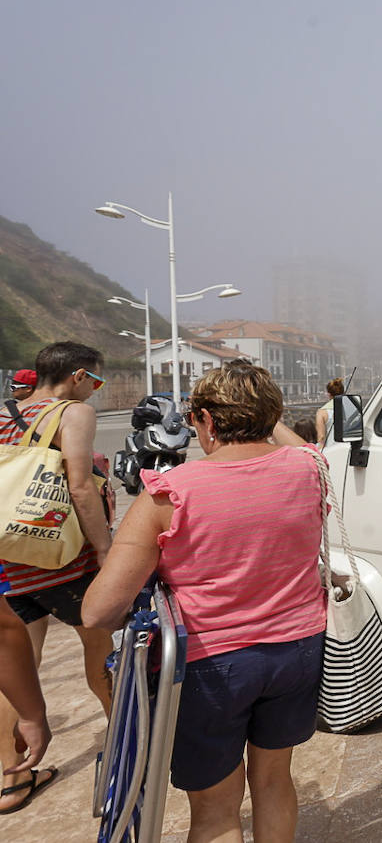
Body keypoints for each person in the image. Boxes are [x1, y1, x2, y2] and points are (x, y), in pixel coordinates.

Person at [83, 361, 326, 843]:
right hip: (298, 650)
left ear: (207, 421)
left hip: (214, 667)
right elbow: (308, 447)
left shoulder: (171, 493)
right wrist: (262, 415)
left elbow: (97, 611)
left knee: (216, 811)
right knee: (275, 780)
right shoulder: (308, 468)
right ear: (270, 415)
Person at [0, 342, 114, 812]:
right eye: (97, 382)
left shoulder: (6, 413)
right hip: (60, 559)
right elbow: (81, 484)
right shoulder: (72, 412)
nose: (96, 391)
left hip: (10, 562)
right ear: (79, 376)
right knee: (101, 648)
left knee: (18, 665)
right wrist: (107, 551)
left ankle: (10, 780)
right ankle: (130, 739)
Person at [0, 563, 54, 814]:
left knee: (17, 666)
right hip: (50, 564)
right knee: (97, 641)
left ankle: (13, 781)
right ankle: (129, 759)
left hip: (13, 574)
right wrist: (33, 716)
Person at [314, 377, 345, 444]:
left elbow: (321, 437)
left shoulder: (322, 412)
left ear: (329, 394)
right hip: (350, 449)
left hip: (331, 449)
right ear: (343, 392)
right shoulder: (351, 408)